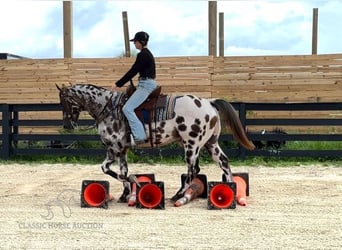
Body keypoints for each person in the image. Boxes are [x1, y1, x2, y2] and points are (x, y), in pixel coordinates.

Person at [112, 31, 157, 145]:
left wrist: (118, 84)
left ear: (141, 42)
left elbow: (133, 71)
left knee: (127, 108)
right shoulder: (147, 53)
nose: (134, 44)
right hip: (146, 83)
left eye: (135, 42)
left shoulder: (143, 54)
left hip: (145, 86)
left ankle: (139, 137)